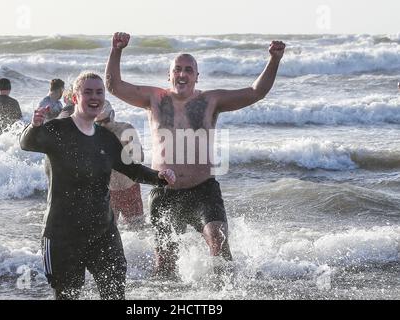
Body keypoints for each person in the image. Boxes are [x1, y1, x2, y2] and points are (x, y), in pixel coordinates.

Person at [106, 32, 285, 279]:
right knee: (165, 265)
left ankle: (225, 295)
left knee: (219, 246)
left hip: (203, 190)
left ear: (196, 76)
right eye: (177, 69)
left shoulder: (211, 100)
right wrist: (116, 50)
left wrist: (274, 59)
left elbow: (256, 92)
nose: (182, 74)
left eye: (188, 70)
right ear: (168, 75)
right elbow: (113, 85)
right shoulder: (154, 98)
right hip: (164, 191)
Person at [20, 71, 176, 300]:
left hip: (103, 233)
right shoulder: (58, 130)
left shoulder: (105, 138)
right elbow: (27, 143)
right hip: (63, 234)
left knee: (115, 294)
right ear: (74, 97)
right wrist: (34, 126)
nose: (95, 97)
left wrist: (160, 177)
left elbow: (132, 170)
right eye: (88, 92)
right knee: (67, 296)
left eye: (99, 92)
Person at [95, 101, 146, 228]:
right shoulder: (93, 135)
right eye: (98, 123)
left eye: (106, 120)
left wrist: (126, 151)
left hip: (130, 188)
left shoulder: (126, 129)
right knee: (107, 232)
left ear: (112, 115)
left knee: (138, 229)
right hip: (108, 191)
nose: (103, 125)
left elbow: (141, 157)